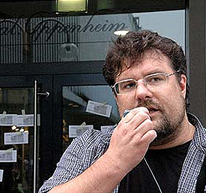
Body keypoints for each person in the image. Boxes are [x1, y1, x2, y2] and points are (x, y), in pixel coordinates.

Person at [38, 30, 206, 193]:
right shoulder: (90, 147)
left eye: (155, 79)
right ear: (116, 97)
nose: (141, 93)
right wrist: (115, 161)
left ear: (181, 85)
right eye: (129, 85)